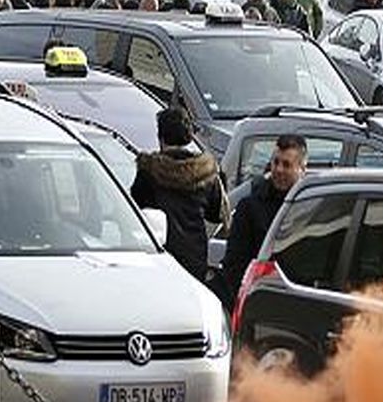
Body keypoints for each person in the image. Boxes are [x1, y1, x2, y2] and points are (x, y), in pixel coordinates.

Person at [130, 108, 228, 282]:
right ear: (188, 135)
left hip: (160, 255)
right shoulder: (205, 172)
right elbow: (217, 214)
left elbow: (134, 210)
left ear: (160, 137)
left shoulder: (149, 171)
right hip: (195, 258)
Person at [222, 135, 307, 295]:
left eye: (286, 165)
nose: (279, 169)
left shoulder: (311, 205)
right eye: (276, 162)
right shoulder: (250, 207)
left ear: (302, 169)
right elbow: (234, 263)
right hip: (260, 298)